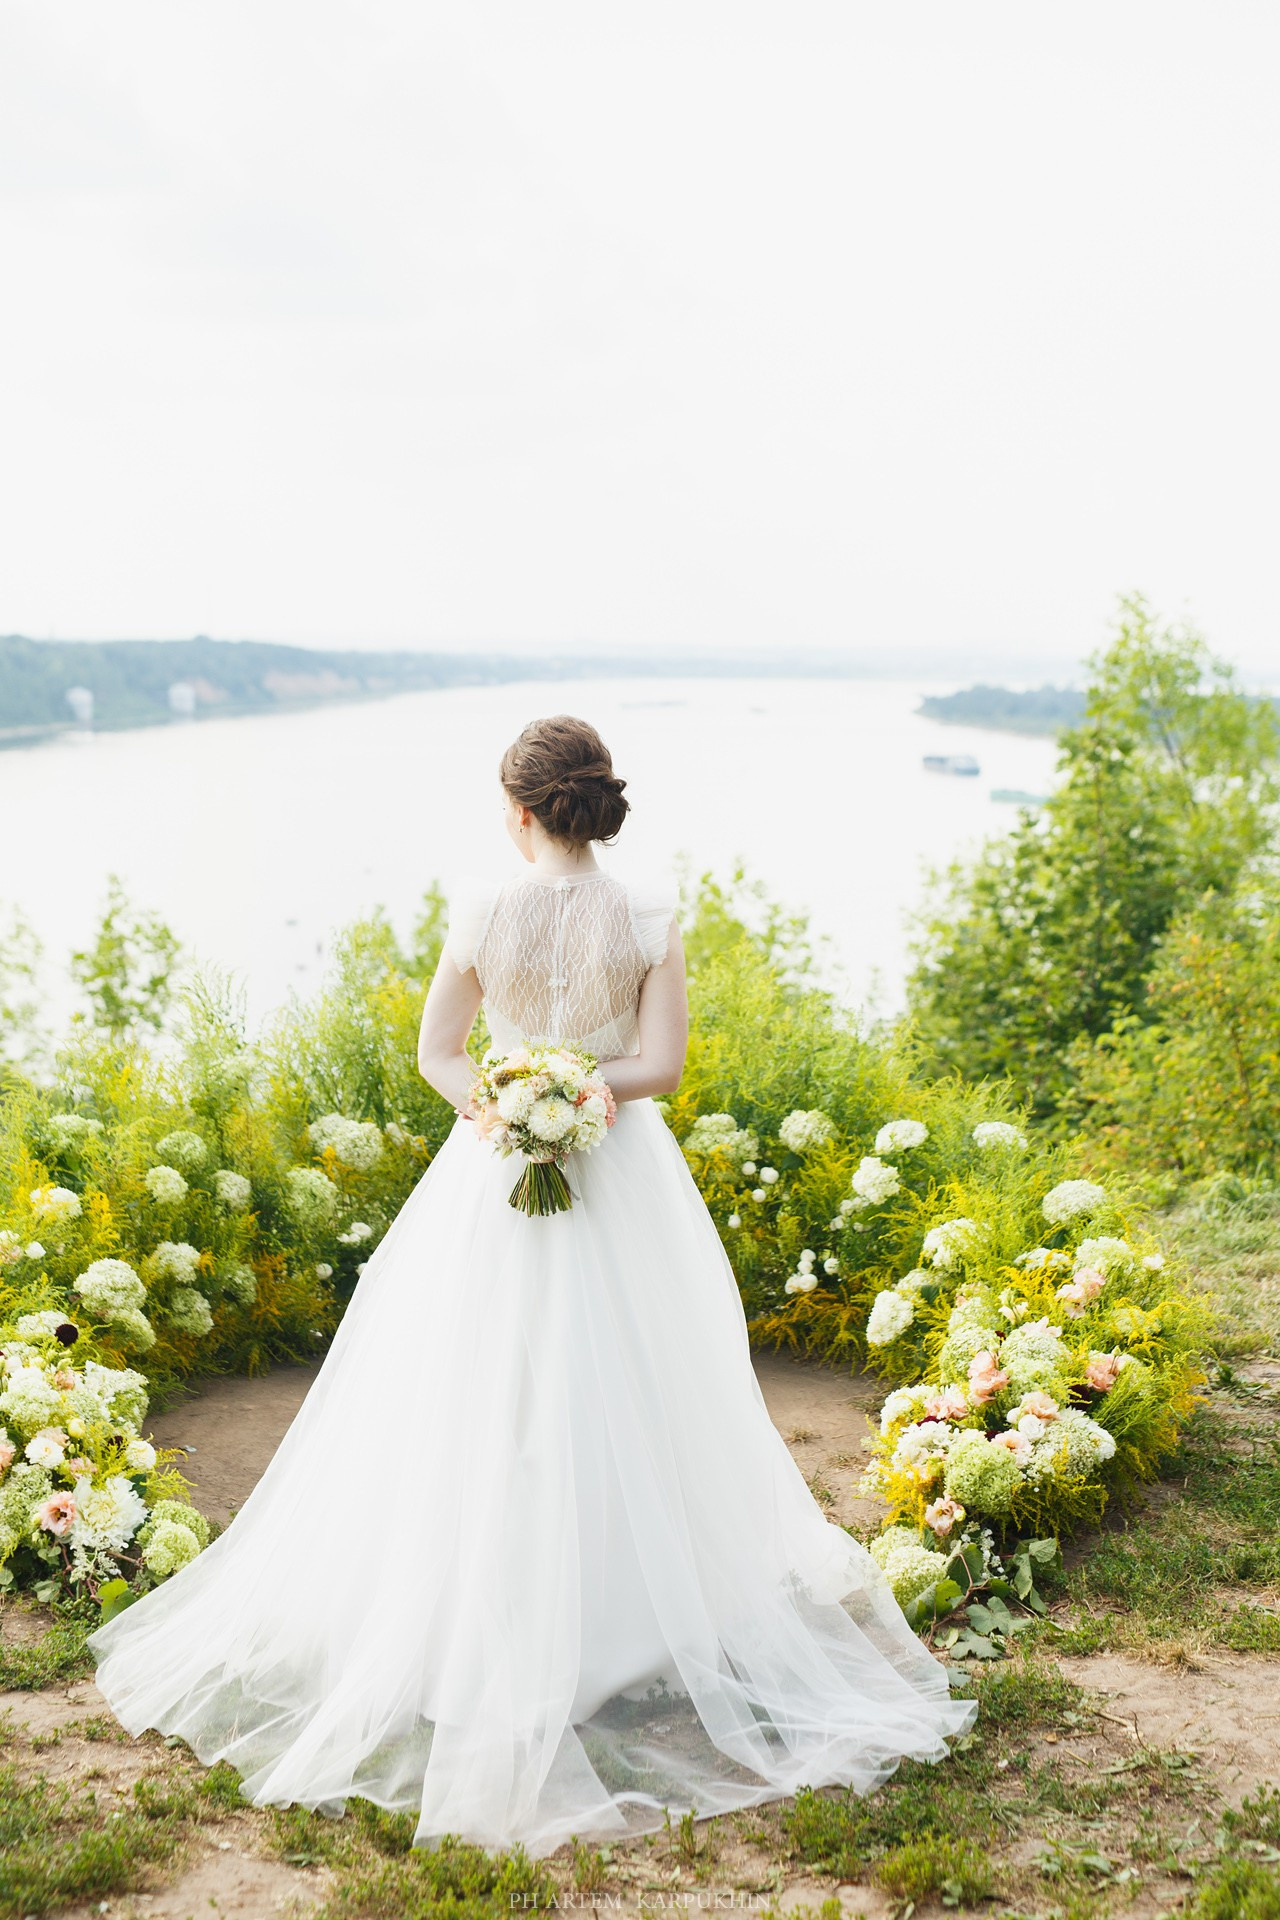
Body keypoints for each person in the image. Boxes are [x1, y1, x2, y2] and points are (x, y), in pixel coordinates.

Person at [89, 714, 975, 1857]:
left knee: (477, 1383)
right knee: (637, 1379)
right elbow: (660, 1067)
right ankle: (634, 1617)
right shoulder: (647, 915)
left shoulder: (481, 911)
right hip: (619, 1168)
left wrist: (508, 1106)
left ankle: (481, 1618)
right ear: (589, 804)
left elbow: (437, 1051)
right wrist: (575, 1096)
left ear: (517, 811)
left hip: (491, 1168)